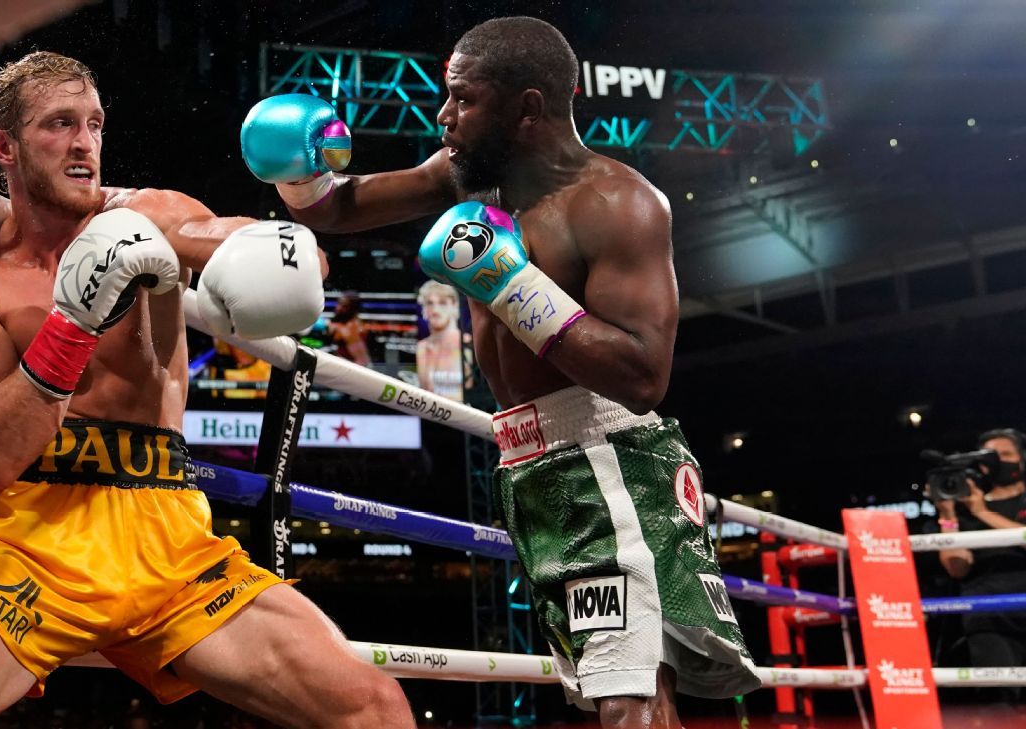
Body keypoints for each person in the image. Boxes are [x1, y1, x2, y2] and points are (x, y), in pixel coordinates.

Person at [0, 51, 412, 729]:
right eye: (59, 124)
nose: (84, 143)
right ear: (4, 147)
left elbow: (262, 248)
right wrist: (72, 324)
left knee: (374, 707)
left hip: (173, 545)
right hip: (34, 548)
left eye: (94, 124)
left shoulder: (147, 216)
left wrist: (284, 248)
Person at [241, 16, 759, 728]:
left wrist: (512, 284)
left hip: (609, 459)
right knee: (623, 685)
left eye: (464, 99)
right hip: (531, 465)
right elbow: (342, 207)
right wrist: (302, 173)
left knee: (626, 692)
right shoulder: (468, 178)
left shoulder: (618, 204)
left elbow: (642, 376)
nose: (443, 116)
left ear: (527, 109)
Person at [935, 428, 1026, 712]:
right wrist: (948, 516)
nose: (999, 461)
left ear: (1022, 459)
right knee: (1000, 704)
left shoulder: (981, 510)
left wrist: (984, 512)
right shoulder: (964, 510)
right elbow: (957, 569)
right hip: (988, 615)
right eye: (991, 456)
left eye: (1006, 454)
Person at [415, 280, 470, 401]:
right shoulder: (422, 347)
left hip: (464, 411)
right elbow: (425, 392)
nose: (435, 309)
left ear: (454, 306)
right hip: (431, 411)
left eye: (442, 303)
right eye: (430, 303)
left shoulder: (468, 343)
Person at [326, 291, 373, 366]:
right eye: (339, 304)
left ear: (352, 309)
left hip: (358, 369)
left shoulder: (352, 329)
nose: (338, 308)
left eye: (344, 306)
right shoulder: (346, 325)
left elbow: (362, 360)